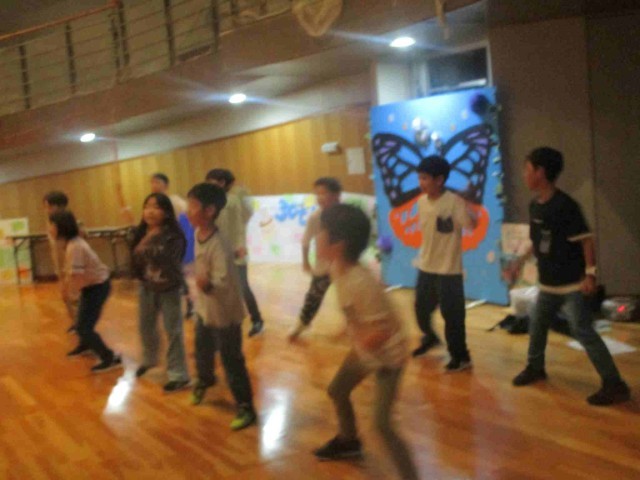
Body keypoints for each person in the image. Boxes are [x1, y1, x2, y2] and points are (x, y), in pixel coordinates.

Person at [512, 147, 630, 406]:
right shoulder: (535, 206)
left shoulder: (565, 206)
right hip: (548, 284)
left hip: (571, 285)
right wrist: (518, 263)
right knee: (537, 324)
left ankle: (615, 384)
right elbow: (536, 242)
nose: (524, 174)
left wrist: (590, 275)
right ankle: (535, 367)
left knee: (582, 330)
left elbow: (586, 241)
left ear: (540, 172)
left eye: (527, 169)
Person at [312, 204, 419, 480]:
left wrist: (356, 339)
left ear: (338, 245)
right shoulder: (337, 267)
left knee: (382, 425)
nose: (316, 236)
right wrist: (346, 331)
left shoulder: (361, 282)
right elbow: (355, 314)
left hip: (388, 358)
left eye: (322, 231)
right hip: (366, 349)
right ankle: (349, 441)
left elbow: (382, 331)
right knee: (337, 390)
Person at [186, 183, 257, 430]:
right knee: (202, 352)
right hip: (205, 310)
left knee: (231, 360)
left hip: (226, 314)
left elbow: (223, 282)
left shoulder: (219, 243)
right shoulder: (198, 233)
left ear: (209, 211)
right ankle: (204, 381)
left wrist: (206, 284)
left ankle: (246, 406)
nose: (188, 211)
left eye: (192, 206)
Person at [412, 156, 477, 371]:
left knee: (453, 316)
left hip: (449, 270)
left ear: (439, 180)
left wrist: (468, 203)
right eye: (419, 178)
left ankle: (461, 356)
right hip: (426, 266)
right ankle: (430, 337)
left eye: (425, 178)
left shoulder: (454, 202)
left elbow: (472, 225)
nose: (421, 182)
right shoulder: (421, 202)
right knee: (421, 309)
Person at [131, 193, 191, 392]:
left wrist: (148, 244)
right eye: (147, 206)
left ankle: (178, 374)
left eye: (156, 207)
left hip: (169, 288)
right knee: (146, 326)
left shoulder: (173, 235)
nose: (150, 211)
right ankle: (149, 360)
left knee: (173, 331)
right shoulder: (140, 232)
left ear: (166, 212)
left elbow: (169, 260)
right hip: (146, 287)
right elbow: (135, 260)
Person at [49, 210, 122, 373]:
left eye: (52, 225)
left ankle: (109, 357)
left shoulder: (75, 246)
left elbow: (76, 274)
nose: (50, 229)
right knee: (80, 323)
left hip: (98, 287)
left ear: (61, 227)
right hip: (91, 287)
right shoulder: (71, 243)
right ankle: (85, 345)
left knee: (84, 327)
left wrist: (68, 293)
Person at [205, 169, 264, 337]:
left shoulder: (232, 200)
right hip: (218, 253)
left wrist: (239, 246)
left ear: (222, 182)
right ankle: (222, 323)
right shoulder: (212, 203)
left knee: (242, 288)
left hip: (236, 253)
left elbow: (240, 224)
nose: (209, 185)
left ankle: (257, 320)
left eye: (212, 182)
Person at [289, 177, 342, 340]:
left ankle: (358, 326)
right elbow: (306, 241)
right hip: (323, 266)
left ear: (336, 195)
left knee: (352, 298)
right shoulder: (315, 217)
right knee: (313, 297)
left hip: (344, 265)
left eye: (323, 193)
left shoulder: (346, 215)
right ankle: (302, 323)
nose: (319, 197)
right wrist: (305, 261)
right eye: (317, 194)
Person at [149, 173, 194, 318]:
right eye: (152, 182)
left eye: (157, 182)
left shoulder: (175, 201)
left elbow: (189, 215)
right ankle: (168, 303)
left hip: (173, 242)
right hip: (161, 242)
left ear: (166, 185)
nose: (154, 185)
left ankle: (188, 302)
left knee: (175, 272)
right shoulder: (152, 203)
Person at [43, 191, 83, 333]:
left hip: (72, 265)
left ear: (58, 206)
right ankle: (75, 322)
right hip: (60, 265)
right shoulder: (51, 223)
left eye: (49, 206)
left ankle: (82, 324)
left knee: (75, 296)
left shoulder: (70, 222)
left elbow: (80, 238)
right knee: (65, 297)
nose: (47, 210)